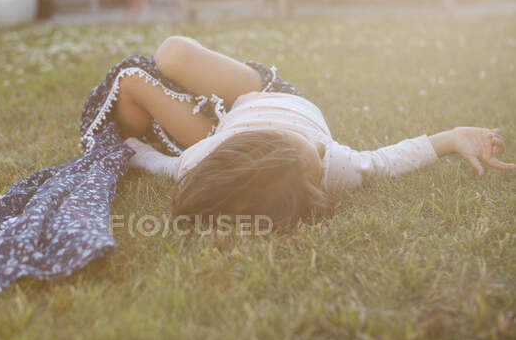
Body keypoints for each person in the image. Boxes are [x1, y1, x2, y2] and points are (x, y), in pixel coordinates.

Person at [112, 36, 514, 228]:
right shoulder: (333, 165)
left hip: (239, 112)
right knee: (155, 69)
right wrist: (450, 138)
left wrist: (128, 149)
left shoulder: (200, 160)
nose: (324, 147)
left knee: (151, 70)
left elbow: (161, 165)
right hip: (246, 106)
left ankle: (157, 110)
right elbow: (388, 160)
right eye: (318, 154)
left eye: (314, 149)